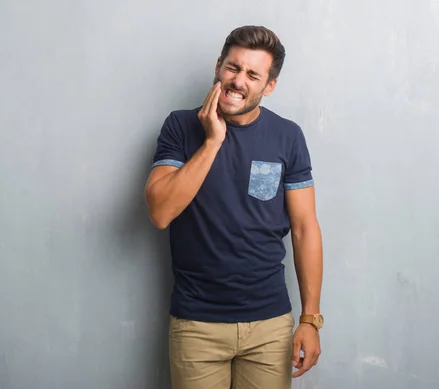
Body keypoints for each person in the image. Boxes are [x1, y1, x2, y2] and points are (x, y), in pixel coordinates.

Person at [144, 25, 324, 389]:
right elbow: (160, 212)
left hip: (270, 324)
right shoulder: (180, 126)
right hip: (197, 325)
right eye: (232, 67)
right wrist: (212, 142)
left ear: (268, 86)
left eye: (252, 74)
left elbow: (305, 228)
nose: (238, 81)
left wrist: (310, 318)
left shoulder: (288, 136)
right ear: (218, 66)